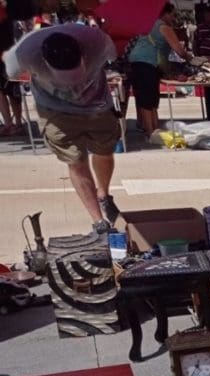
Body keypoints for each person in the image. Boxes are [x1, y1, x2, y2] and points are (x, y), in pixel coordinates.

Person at [3, 24, 121, 234]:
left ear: (83, 52)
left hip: (97, 105)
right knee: (75, 160)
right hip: (56, 111)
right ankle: (98, 222)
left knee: (105, 150)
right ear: (43, 59)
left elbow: (114, 53)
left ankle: (103, 194)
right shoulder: (26, 51)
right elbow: (10, 69)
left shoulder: (96, 39)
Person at [128, 3, 193, 136]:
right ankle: (151, 131)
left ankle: (153, 128)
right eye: (173, 15)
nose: (174, 18)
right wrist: (190, 58)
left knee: (145, 97)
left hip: (136, 62)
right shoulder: (164, 27)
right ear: (166, 14)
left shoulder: (150, 24)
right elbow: (179, 51)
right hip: (147, 63)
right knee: (149, 99)